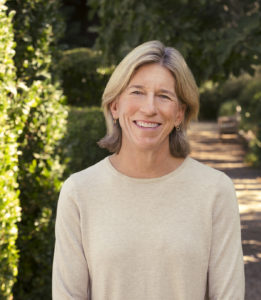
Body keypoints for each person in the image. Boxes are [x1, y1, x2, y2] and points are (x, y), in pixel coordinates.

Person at [52, 40, 245, 300]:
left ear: (179, 114)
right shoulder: (79, 192)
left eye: (164, 96)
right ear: (115, 106)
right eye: (137, 92)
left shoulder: (215, 190)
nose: (150, 108)